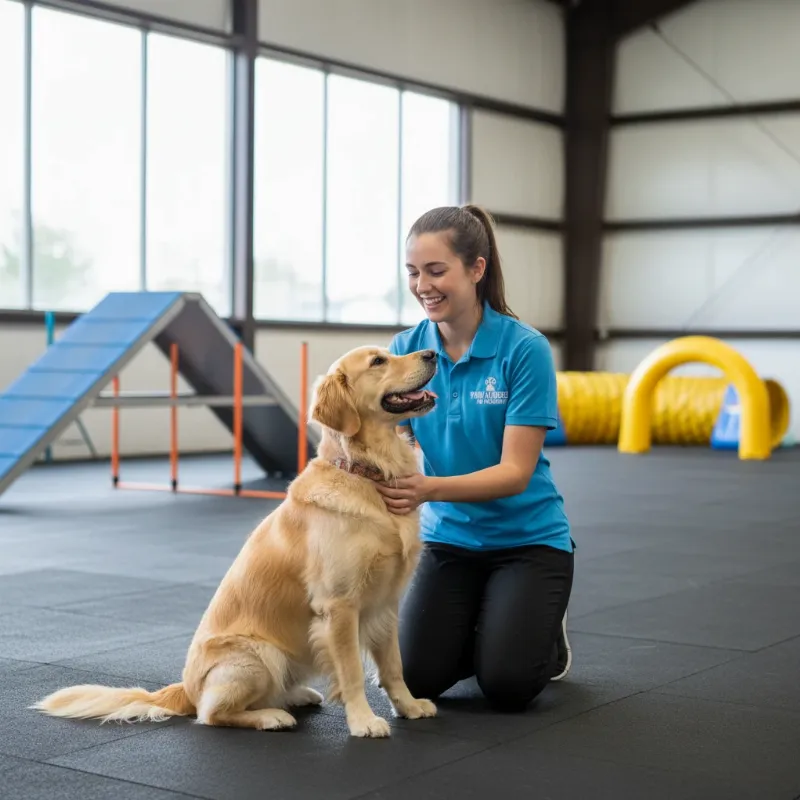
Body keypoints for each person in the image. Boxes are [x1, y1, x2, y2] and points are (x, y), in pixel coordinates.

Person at [375, 204, 575, 713]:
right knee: (415, 679)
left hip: (527, 540)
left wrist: (427, 489)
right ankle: (494, 624)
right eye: (413, 272)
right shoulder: (406, 349)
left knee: (508, 686)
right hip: (448, 540)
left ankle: (541, 638)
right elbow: (390, 439)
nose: (423, 285)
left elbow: (515, 473)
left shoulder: (523, 349)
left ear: (477, 268)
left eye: (436, 270)